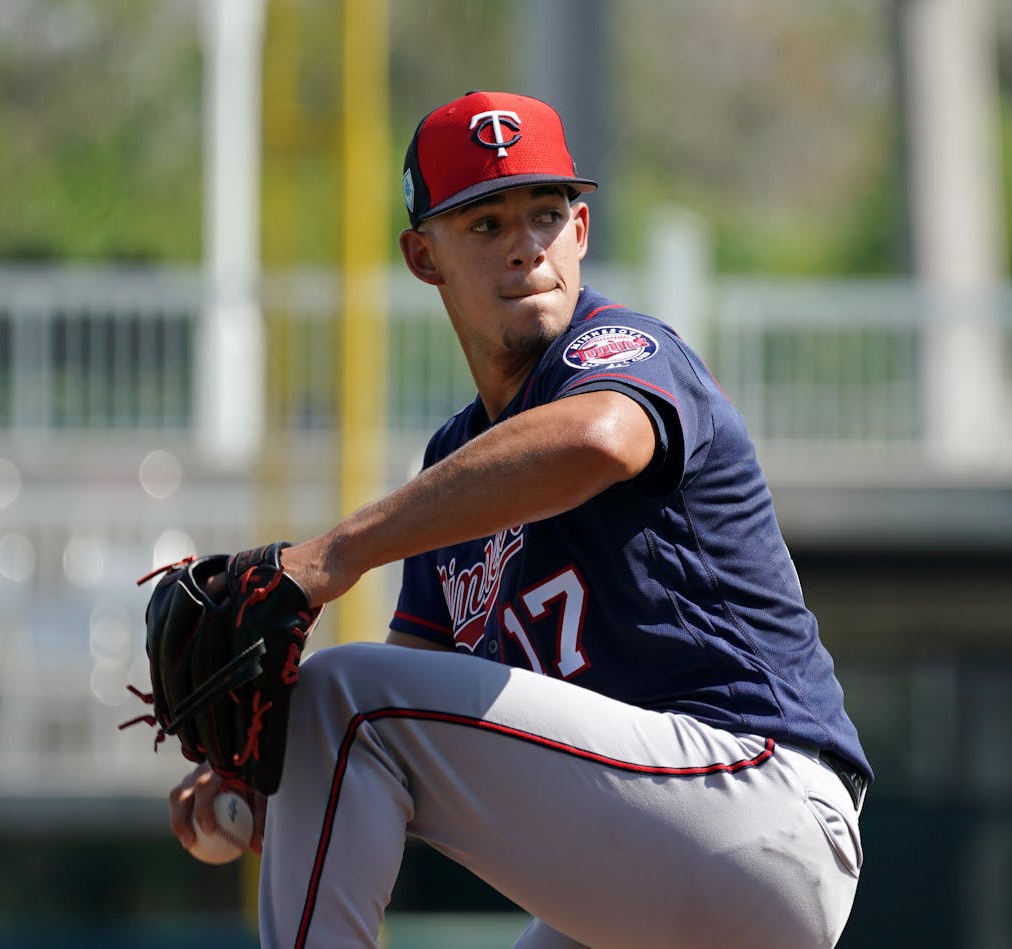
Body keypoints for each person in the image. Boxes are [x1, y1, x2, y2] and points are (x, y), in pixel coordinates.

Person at [168, 90, 870, 949]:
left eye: (545, 214)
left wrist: (331, 556)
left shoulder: (619, 349)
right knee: (341, 716)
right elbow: (401, 740)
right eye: (486, 224)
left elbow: (602, 438)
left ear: (580, 233)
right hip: (652, 862)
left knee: (342, 695)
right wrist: (260, 777)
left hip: (758, 800)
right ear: (423, 257)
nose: (527, 248)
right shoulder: (457, 468)